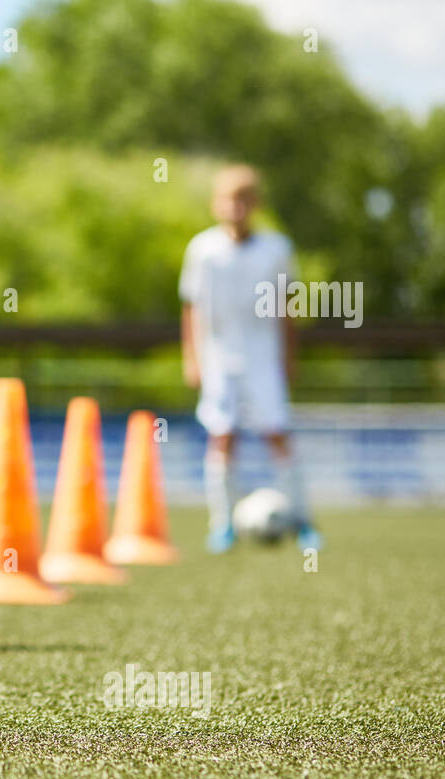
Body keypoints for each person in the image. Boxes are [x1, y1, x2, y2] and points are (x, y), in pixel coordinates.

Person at [179, 164, 321, 553]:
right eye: (228, 199)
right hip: (219, 358)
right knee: (222, 435)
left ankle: (303, 521)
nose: (235, 207)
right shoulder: (202, 250)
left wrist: (289, 356)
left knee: (277, 432)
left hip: (263, 357)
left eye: (243, 199)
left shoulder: (277, 249)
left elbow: (287, 307)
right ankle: (222, 524)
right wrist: (192, 356)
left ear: (255, 204)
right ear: (215, 204)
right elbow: (191, 308)